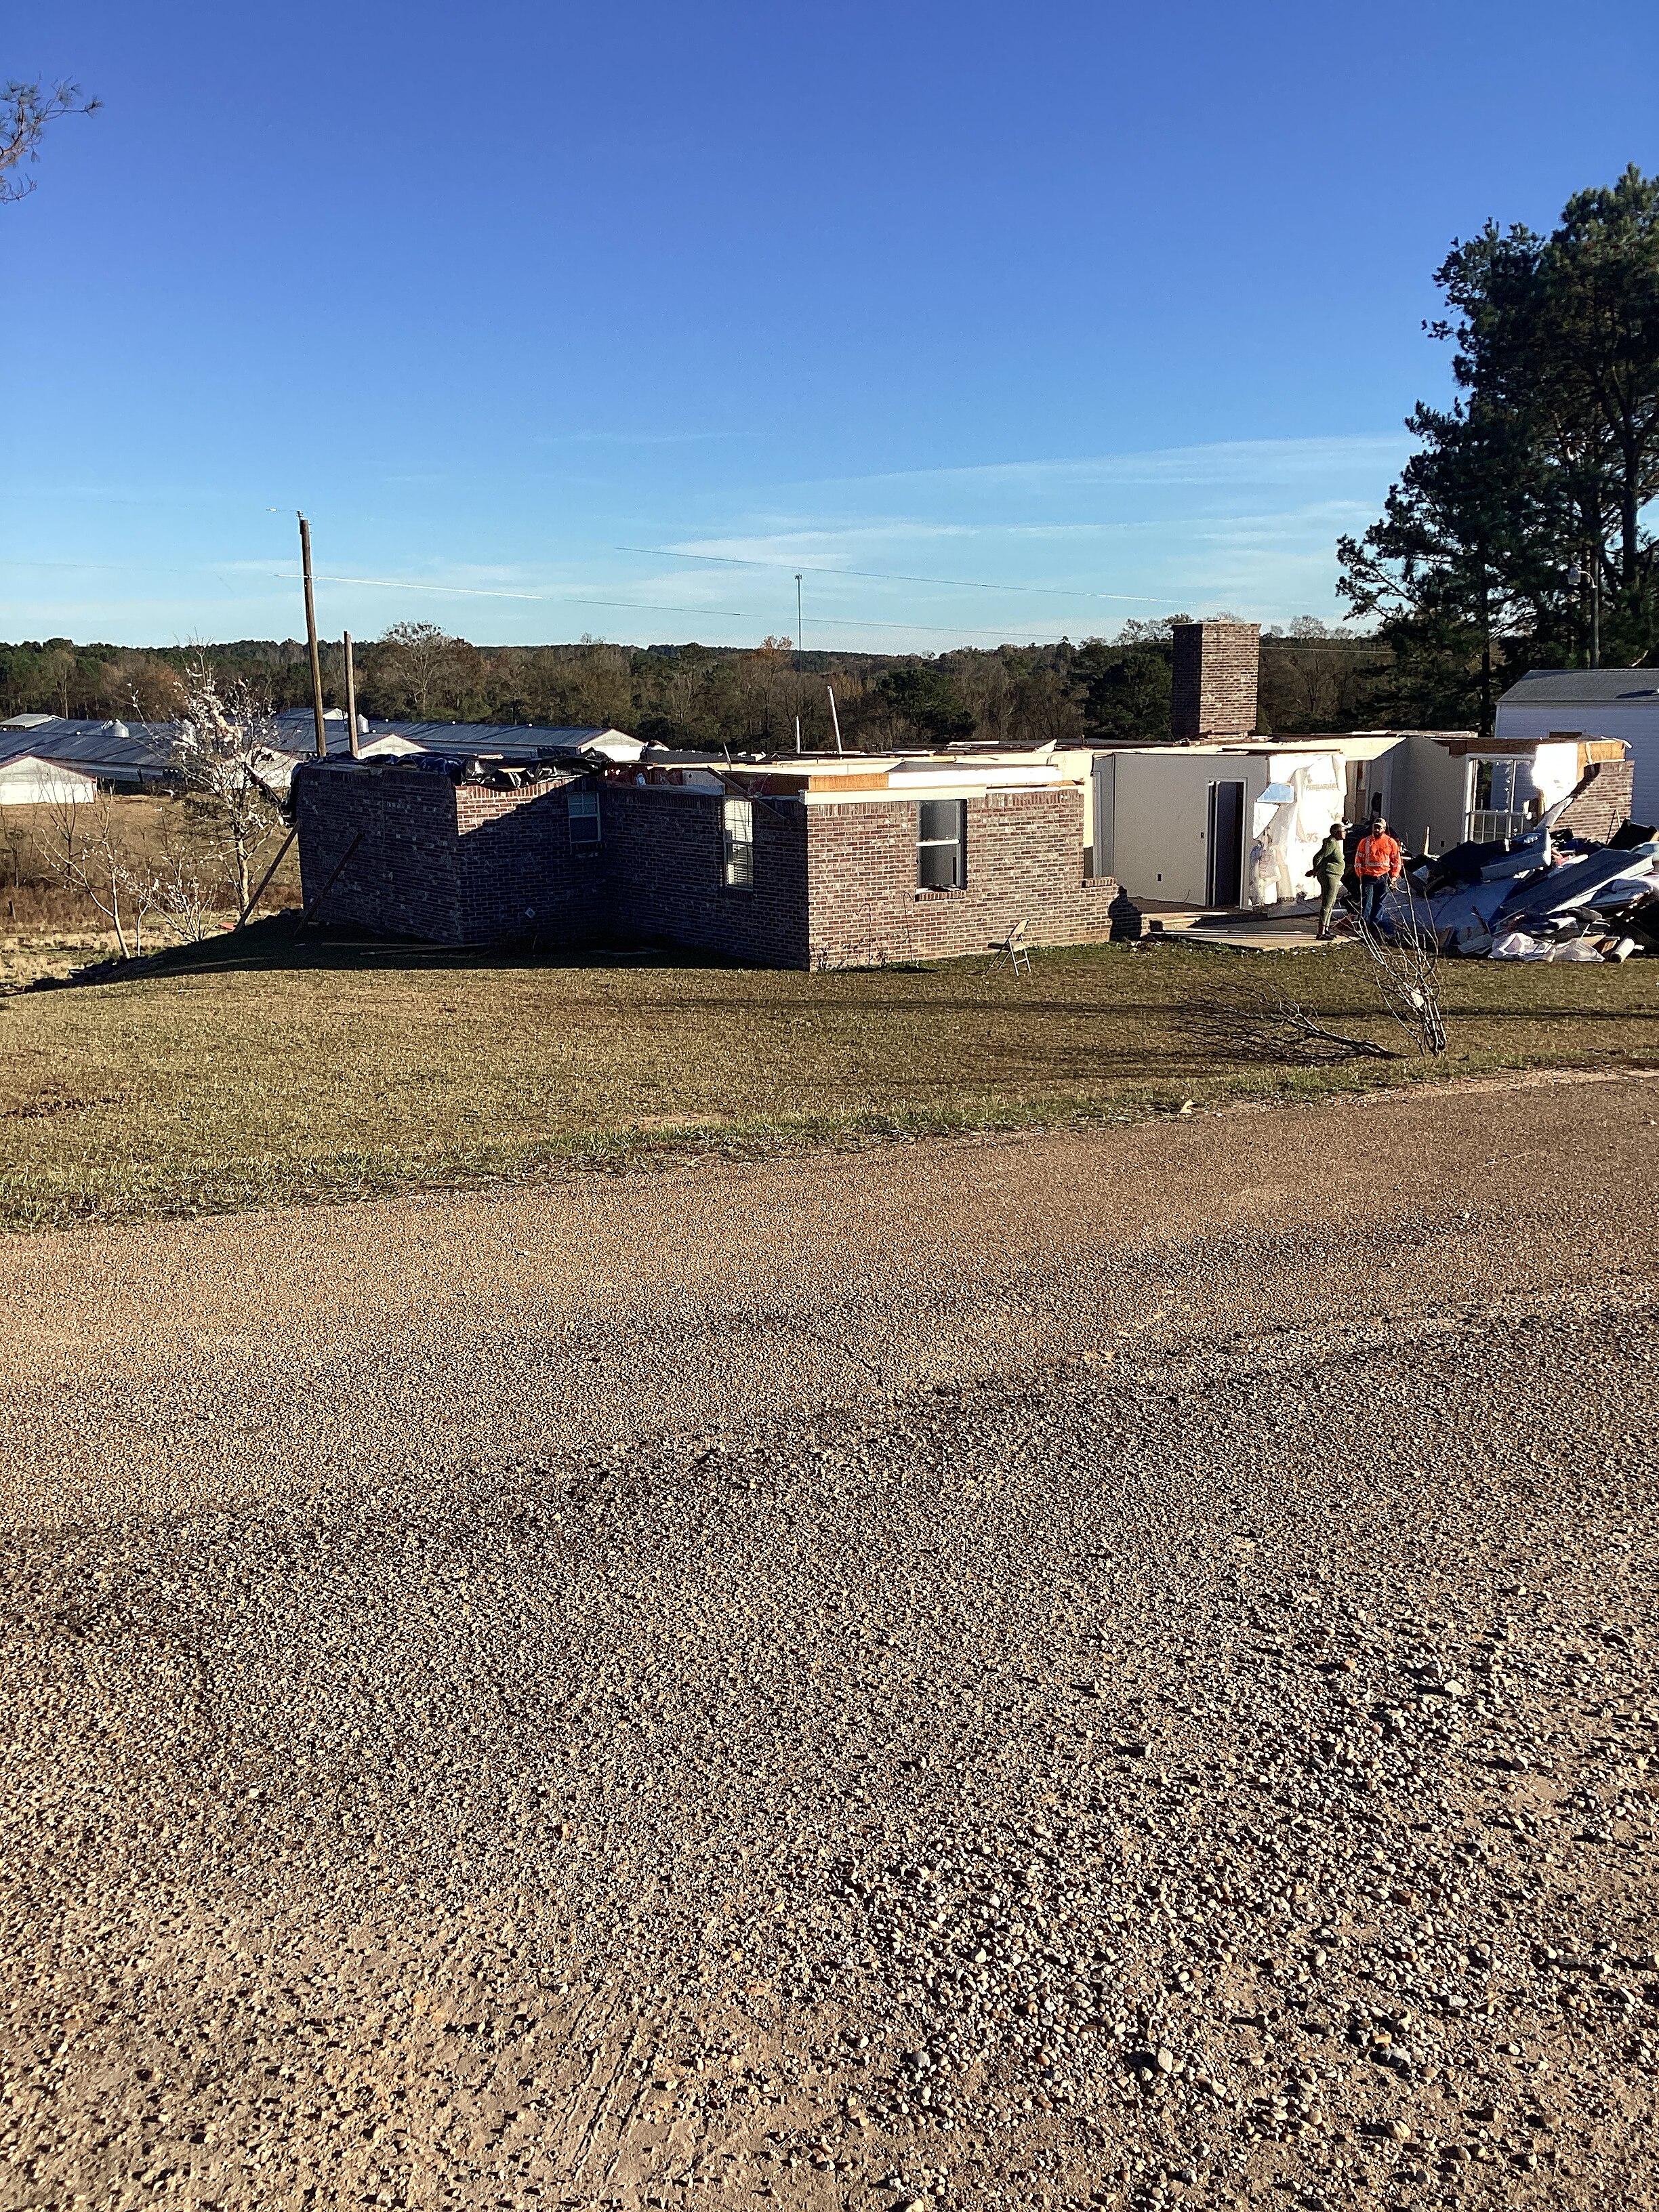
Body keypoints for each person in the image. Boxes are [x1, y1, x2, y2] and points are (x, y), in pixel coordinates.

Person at [1354, 813, 1404, 930]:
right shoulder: (1365, 842)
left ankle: (1374, 926)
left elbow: (1397, 862)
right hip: (1368, 876)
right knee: (1367, 903)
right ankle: (1364, 927)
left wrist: (1394, 878)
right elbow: (1358, 860)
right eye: (1375, 827)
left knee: (1379, 902)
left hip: (1383, 876)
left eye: (1379, 827)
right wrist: (1360, 874)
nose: (1377, 829)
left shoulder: (1391, 843)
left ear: (1384, 829)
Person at [1307, 821, 1346, 939]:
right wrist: (1315, 869)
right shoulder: (1331, 843)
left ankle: (1326, 929)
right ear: (1336, 832)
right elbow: (1319, 856)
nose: (1345, 833)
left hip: (1335, 875)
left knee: (1331, 903)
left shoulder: (1335, 843)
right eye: (1343, 831)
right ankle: (1321, 932)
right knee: (1327, 904)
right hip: (1330, 875)